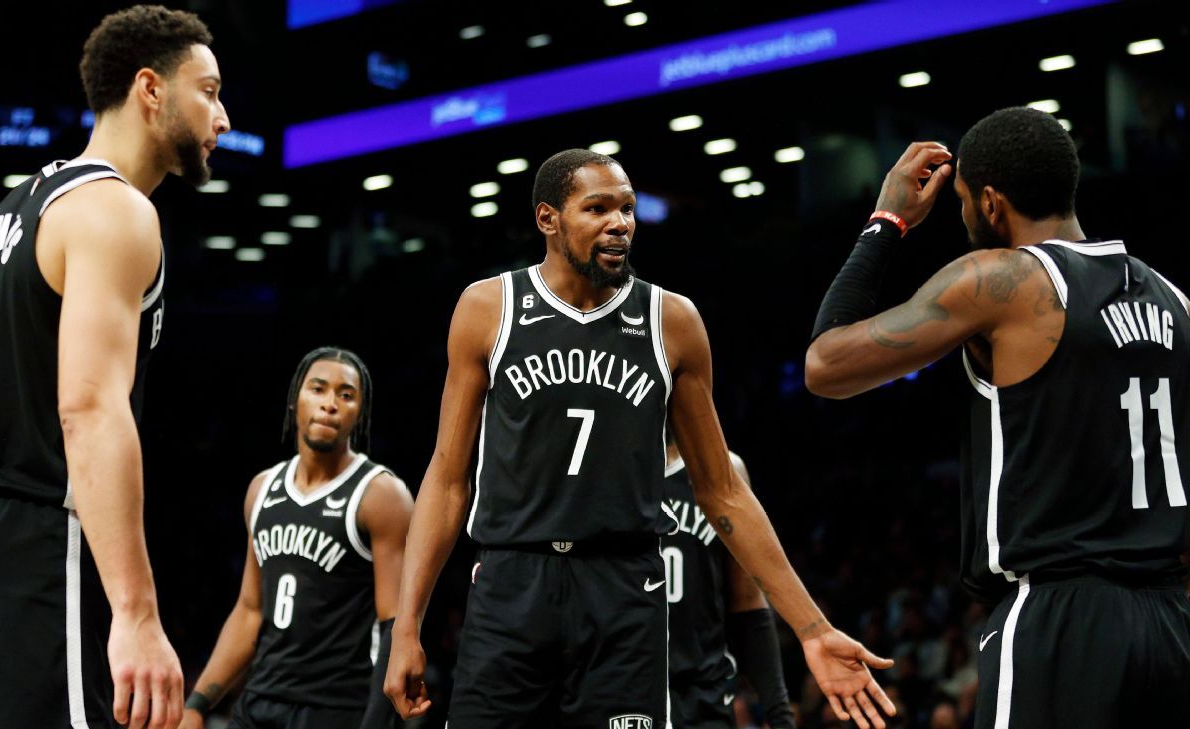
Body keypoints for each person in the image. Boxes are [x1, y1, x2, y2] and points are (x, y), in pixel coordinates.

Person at [385, 148, 895, 729]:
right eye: (597, 208)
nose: (619, 223)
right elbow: (448, 477)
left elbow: (723, 491)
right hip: (511, 583)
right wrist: (407, 628)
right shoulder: (488, 308)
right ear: (548, 218)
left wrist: (813, 628)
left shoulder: (671, 320)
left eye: (627, 208)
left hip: (624, 591)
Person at [805, 106, 1190, 727]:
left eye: (962, 202)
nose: (963, 217)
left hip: (1058, 617)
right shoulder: (1175, 300)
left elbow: (825, 365)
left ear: (991, 203)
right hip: (1171, 623)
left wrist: (887, 222)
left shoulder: (1006, 280)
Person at [0, 6, 229, 728]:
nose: (223, 117)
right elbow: (87, 408)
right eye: (209, 91)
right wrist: (137, 613)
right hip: (33, 536)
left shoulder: (14, 208)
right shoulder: (115, 210)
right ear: (150, 89)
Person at [181, 347, 412, 729]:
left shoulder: (381, 495)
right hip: (260, 699)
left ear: (360, 413)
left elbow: (397, 624)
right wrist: (198, 703)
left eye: (346, 395)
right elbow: (249, 611)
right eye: (318, 389)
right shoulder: (262, 489)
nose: (330, 404)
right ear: (294, 401)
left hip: (335, 708)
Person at [661, 435, 793, 729]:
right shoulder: (607, 468)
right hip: (622, 689)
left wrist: (779, 713)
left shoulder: (725, 469)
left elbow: (748, 602)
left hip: (704, 694)